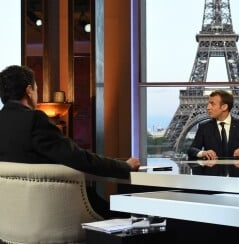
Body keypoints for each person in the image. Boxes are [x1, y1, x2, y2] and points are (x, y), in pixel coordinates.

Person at [0, 64, 140, 218]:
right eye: (37, 89)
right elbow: (79, 158)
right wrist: (125, 166)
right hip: (56, 211)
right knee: (133, 218)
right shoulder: (35, 119)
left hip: (14, 217)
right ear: (29, 90)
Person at [187, 89, 239, 160]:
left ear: (224, 107)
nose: (208, 107)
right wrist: (202, 153)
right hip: (211, 172)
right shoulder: (204, 126)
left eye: (212, 104)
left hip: (237, 171)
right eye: (208, 104)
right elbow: (191, 150)